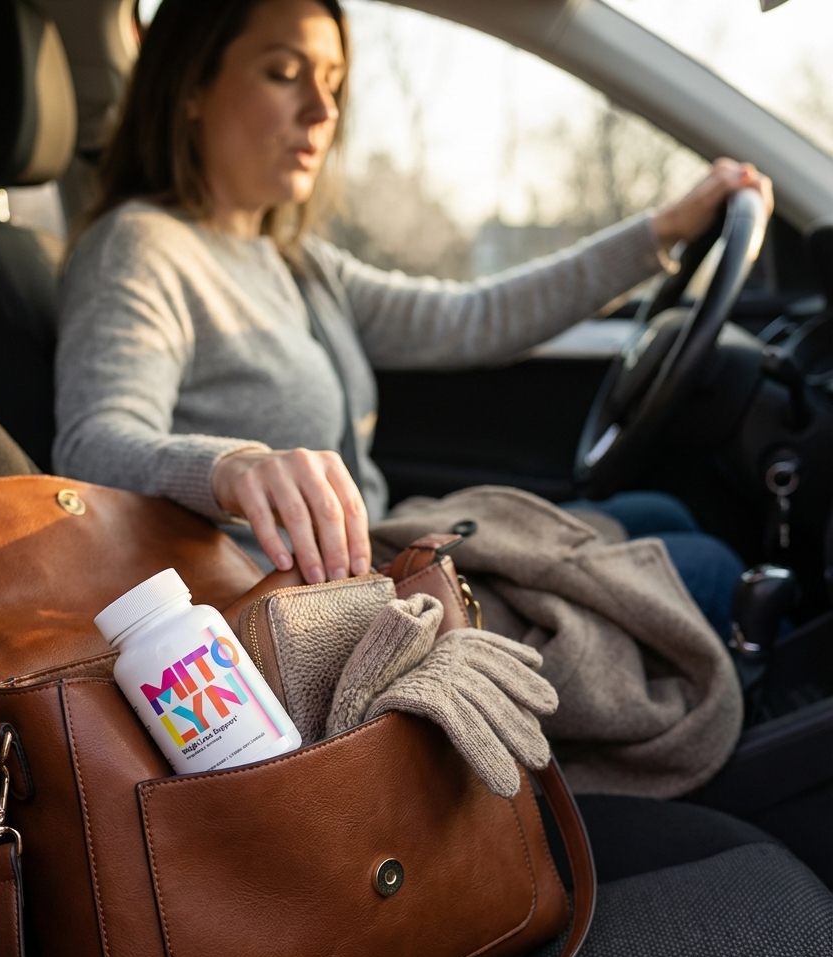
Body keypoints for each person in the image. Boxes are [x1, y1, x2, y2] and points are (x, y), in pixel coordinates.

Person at [54, 0, 773, 640]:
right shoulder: (138, 246)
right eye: (284, 73)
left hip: (383, 566)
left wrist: (661, 233)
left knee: (662, 514)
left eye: (331, 82)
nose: (322, 109)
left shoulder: (297, 263)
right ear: (191, 88)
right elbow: (91, 445)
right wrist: (230, 466)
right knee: (706, 565)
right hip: (312, 619)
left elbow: (474, 317)